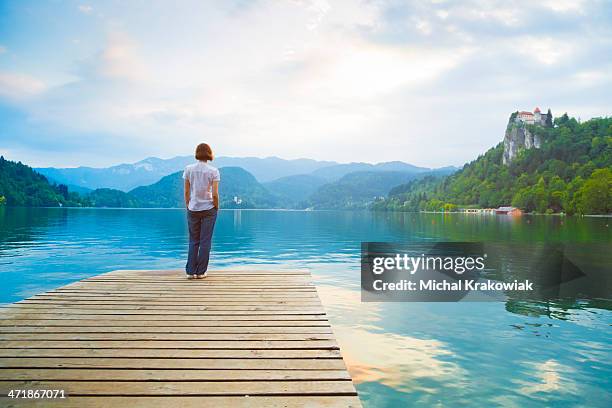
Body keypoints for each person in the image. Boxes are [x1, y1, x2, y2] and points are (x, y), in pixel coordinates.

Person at [183, 143, 220, 279]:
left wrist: (188, 204)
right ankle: (201, 272)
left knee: (193, 240)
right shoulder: (213, 171)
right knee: (205, 241)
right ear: (209, 154)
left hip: (193, 208)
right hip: (209, 209)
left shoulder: (188, 169)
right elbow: (215, 194)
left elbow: (187, 191)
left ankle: (190, 272)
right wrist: (217, 206)